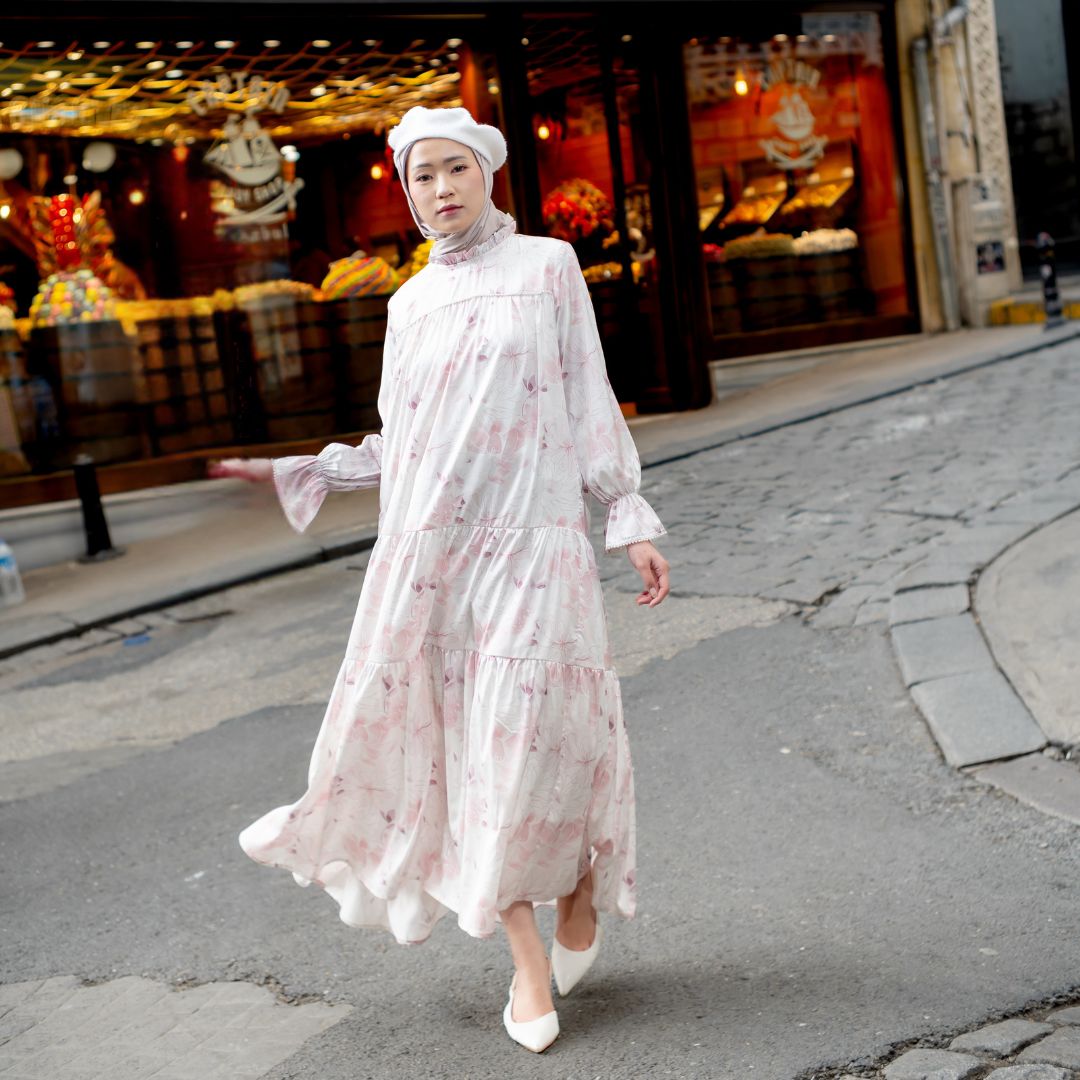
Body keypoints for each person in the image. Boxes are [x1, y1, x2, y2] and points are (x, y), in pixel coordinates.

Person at [209, 105, 670, 1054]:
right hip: (436, 558)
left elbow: (587, 395)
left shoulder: (548, 267)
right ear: (407, 191)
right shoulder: (408, 304)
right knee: (473, 755)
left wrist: (627, 515)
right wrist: (304, 469)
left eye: (456, 168)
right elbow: (404, 440)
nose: (441, 188)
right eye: (422, 175)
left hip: (536, 544)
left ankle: (582, 886)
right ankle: (527, 964)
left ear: (487, 173)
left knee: (548, 735)